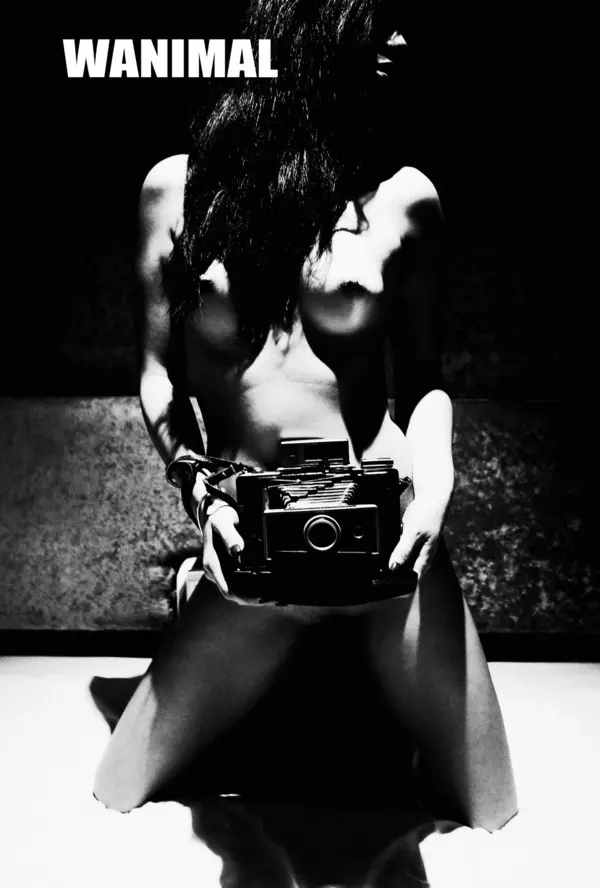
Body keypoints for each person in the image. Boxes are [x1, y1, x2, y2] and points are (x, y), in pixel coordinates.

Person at [94, 0, 518, 831]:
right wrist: (202, 498)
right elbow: (156, 378)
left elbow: (425, 382)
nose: (399, 38)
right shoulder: (176, 189)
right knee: (117, 790)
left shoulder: (405, 198)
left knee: (491, 812)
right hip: (250, 550)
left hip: (383, 545)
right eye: (374, 15)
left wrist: (436, 487)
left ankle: (339, 682)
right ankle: (222, 612)